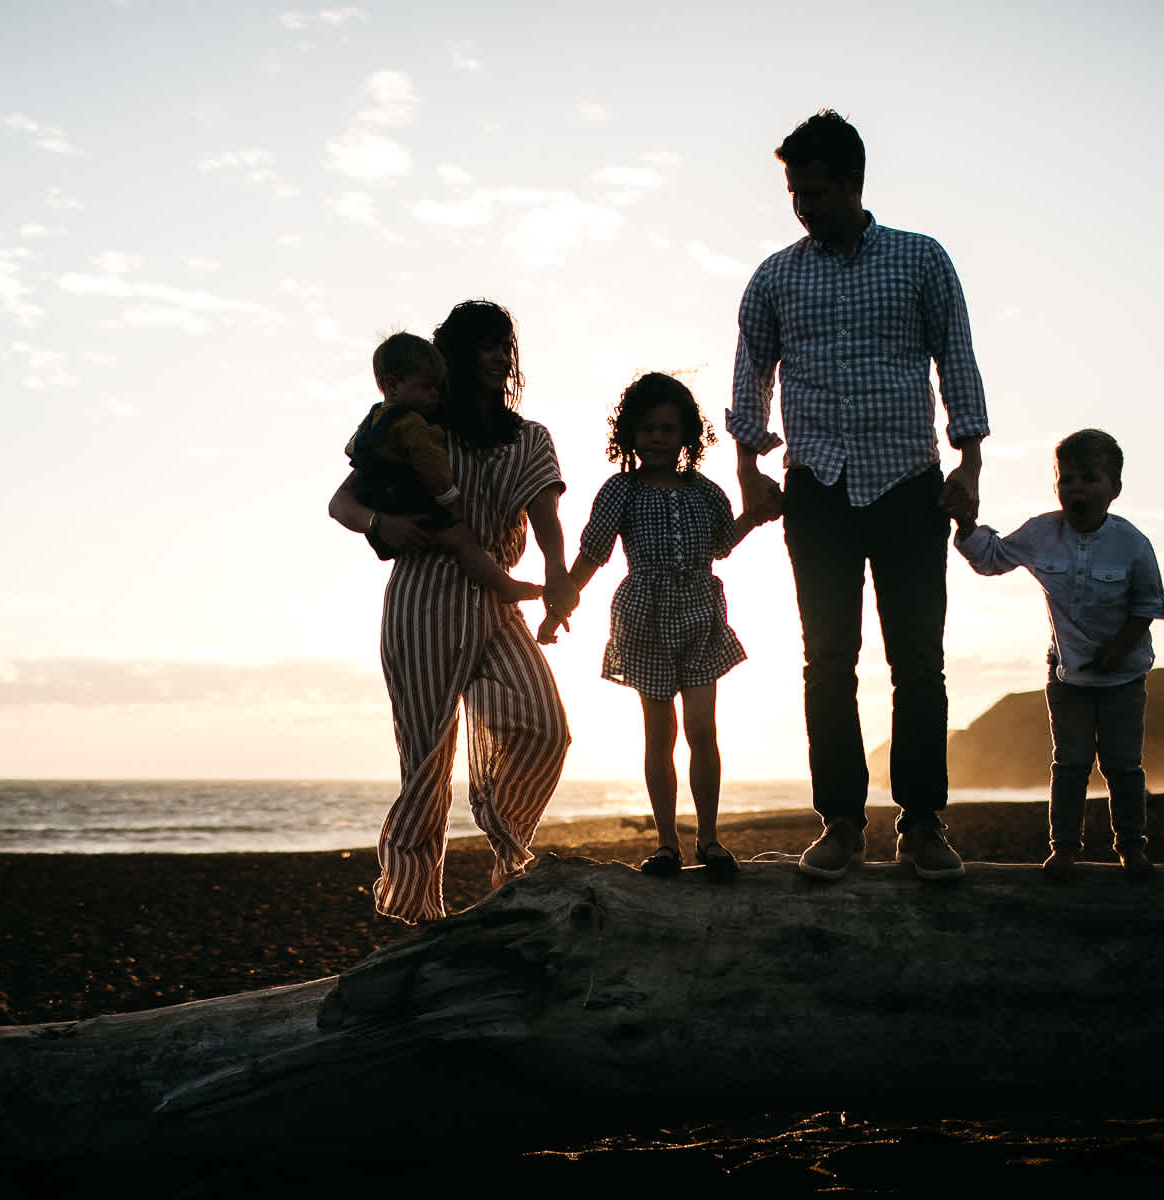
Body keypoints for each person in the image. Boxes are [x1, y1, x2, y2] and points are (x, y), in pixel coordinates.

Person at [727, 109, 988, 881]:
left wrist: (969, 464)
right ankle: (841, 823)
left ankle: (922, 824)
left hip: (909, 483)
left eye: (813, 191)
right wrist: (749, 471)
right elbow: (751, 377)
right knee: (827, 662)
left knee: (919, 662)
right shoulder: (776, 275)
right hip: (818, 489)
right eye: (792, 193)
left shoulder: (920, 260)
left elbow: (958, 362)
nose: (802, 206)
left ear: (853, 180)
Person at [329, 300, 575, 923]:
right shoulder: (414, 426)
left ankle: (509, 854)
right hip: (424, 594)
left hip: (496, 594)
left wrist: (556, 585)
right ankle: (417, 908)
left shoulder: (528, 437)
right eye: (485, 346)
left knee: (544, 725)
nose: (498, 357)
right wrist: (380, 521)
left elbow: (548, 520)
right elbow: (342, 502)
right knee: (425, 759)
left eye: (505, 347)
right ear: (454, 357)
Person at [540, 373, 778, 880]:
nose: (656, 437)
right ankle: (667, 842)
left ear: (686, 437)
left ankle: (709, 838)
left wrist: (755, 517)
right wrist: (560, 607)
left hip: (700, 611)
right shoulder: (620, 491)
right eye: (646, 428)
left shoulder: (706, 492)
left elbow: (719, 545)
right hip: (643, 617)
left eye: (668, 429)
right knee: (658, 737)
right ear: (627, 434)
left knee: (702, 730)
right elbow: (593, 555)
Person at [954, 429, 1164, 881]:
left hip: (1124, 678)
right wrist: (967, 527)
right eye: (1065, 478)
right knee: (1069, 764)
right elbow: (993, 558)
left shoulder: (1132, 544)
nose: (1075, 487)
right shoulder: (1041, 533)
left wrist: (1118, 649)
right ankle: (1064, 849)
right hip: (1068, 677)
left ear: (1114, 489)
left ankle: (1132, 848)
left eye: (1088, 478)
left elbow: (1149, 605)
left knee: (1122, 765)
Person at [346, 332, 544, 602]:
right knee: (461, 540)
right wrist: (450, 499)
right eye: (427, 388)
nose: (434, 396)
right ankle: (504, 585)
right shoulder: (413, 425)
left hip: (380, 508)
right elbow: (432, 465)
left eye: (437, 388)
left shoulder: (373, 420)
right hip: (405, 506)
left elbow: (352, 451)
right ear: (392, 385)